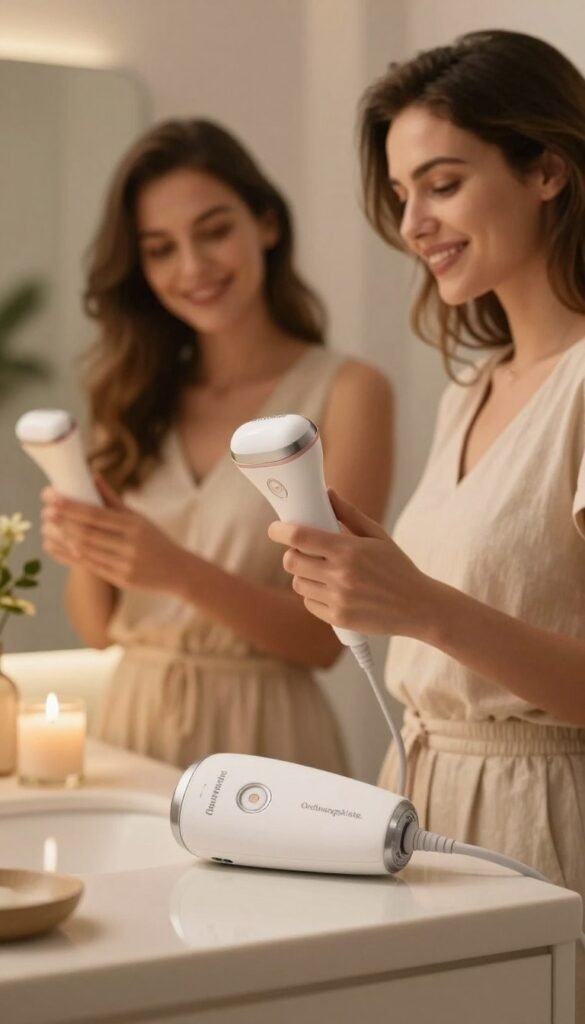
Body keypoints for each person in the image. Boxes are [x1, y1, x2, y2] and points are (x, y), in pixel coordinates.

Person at [268, 29, 585, 1008]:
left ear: (546, 168)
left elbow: (457, 621)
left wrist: (422, 606)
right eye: (403, 194)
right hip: (428, 802)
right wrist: (369, 585)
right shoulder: (471, 392)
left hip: (553, 822)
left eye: (441, 184)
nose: (413, 223)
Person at [41, 119, 393, 773]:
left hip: (269, 740)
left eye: (214, 231)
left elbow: (324, 640)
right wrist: (88, 541)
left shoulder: (346, 392)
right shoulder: (128, 395)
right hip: (134, 728)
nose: (193, 267)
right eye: (160, 248)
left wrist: (173, 569)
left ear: (265, 223)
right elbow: (96, 629)